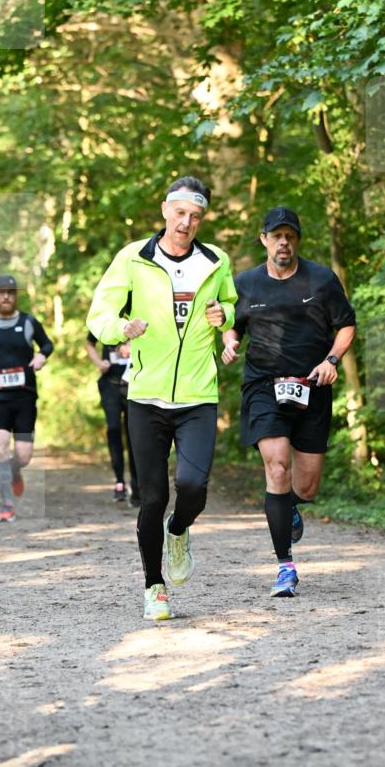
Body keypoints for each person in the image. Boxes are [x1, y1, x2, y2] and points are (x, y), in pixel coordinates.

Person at [87, 175, 237, 621]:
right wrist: (121, 329)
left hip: (197, 395)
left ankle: (179, 529)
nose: (186, 222)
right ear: (165, 210)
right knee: (152, 497)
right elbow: (100, 314)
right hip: (147, 395)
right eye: (180, 213)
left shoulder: (216, 261)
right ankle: (154, 585)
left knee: (192, 489)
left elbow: (230, 306)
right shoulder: (133, 258)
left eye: (195, 216)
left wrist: (225, 321)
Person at [222, 206, 356, 597]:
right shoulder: (244, 284)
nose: (283, 242)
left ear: (297, 240)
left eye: (290, 236)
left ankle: (290, 507)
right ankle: (285, 566)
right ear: (263, 239)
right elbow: (231, 322)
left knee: (307, 485)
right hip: (264, 385)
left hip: (312, 384)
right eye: (276, 235)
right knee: (277, 466)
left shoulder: (321, 279)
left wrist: (332, 360)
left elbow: (345, 324)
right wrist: (230, 342)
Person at [0, 274, 53, 522]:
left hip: (25, 397)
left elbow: (47, 344)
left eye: (11, 292)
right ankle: (6, 503)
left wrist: (41, 357)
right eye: (1, 292)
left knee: (24, 455)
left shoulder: (28, 322)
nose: (6, 296)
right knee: (0, 444)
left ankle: (15, 471)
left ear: (16, 295)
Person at [85, 332, 140, 506]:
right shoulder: (106, 315)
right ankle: (119, 482)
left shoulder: (141, 311)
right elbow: (89, 343)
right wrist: (99, 363)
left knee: (134, 435)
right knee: (114, 430)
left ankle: (136, 485)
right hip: (110, 385)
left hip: (135, 385)